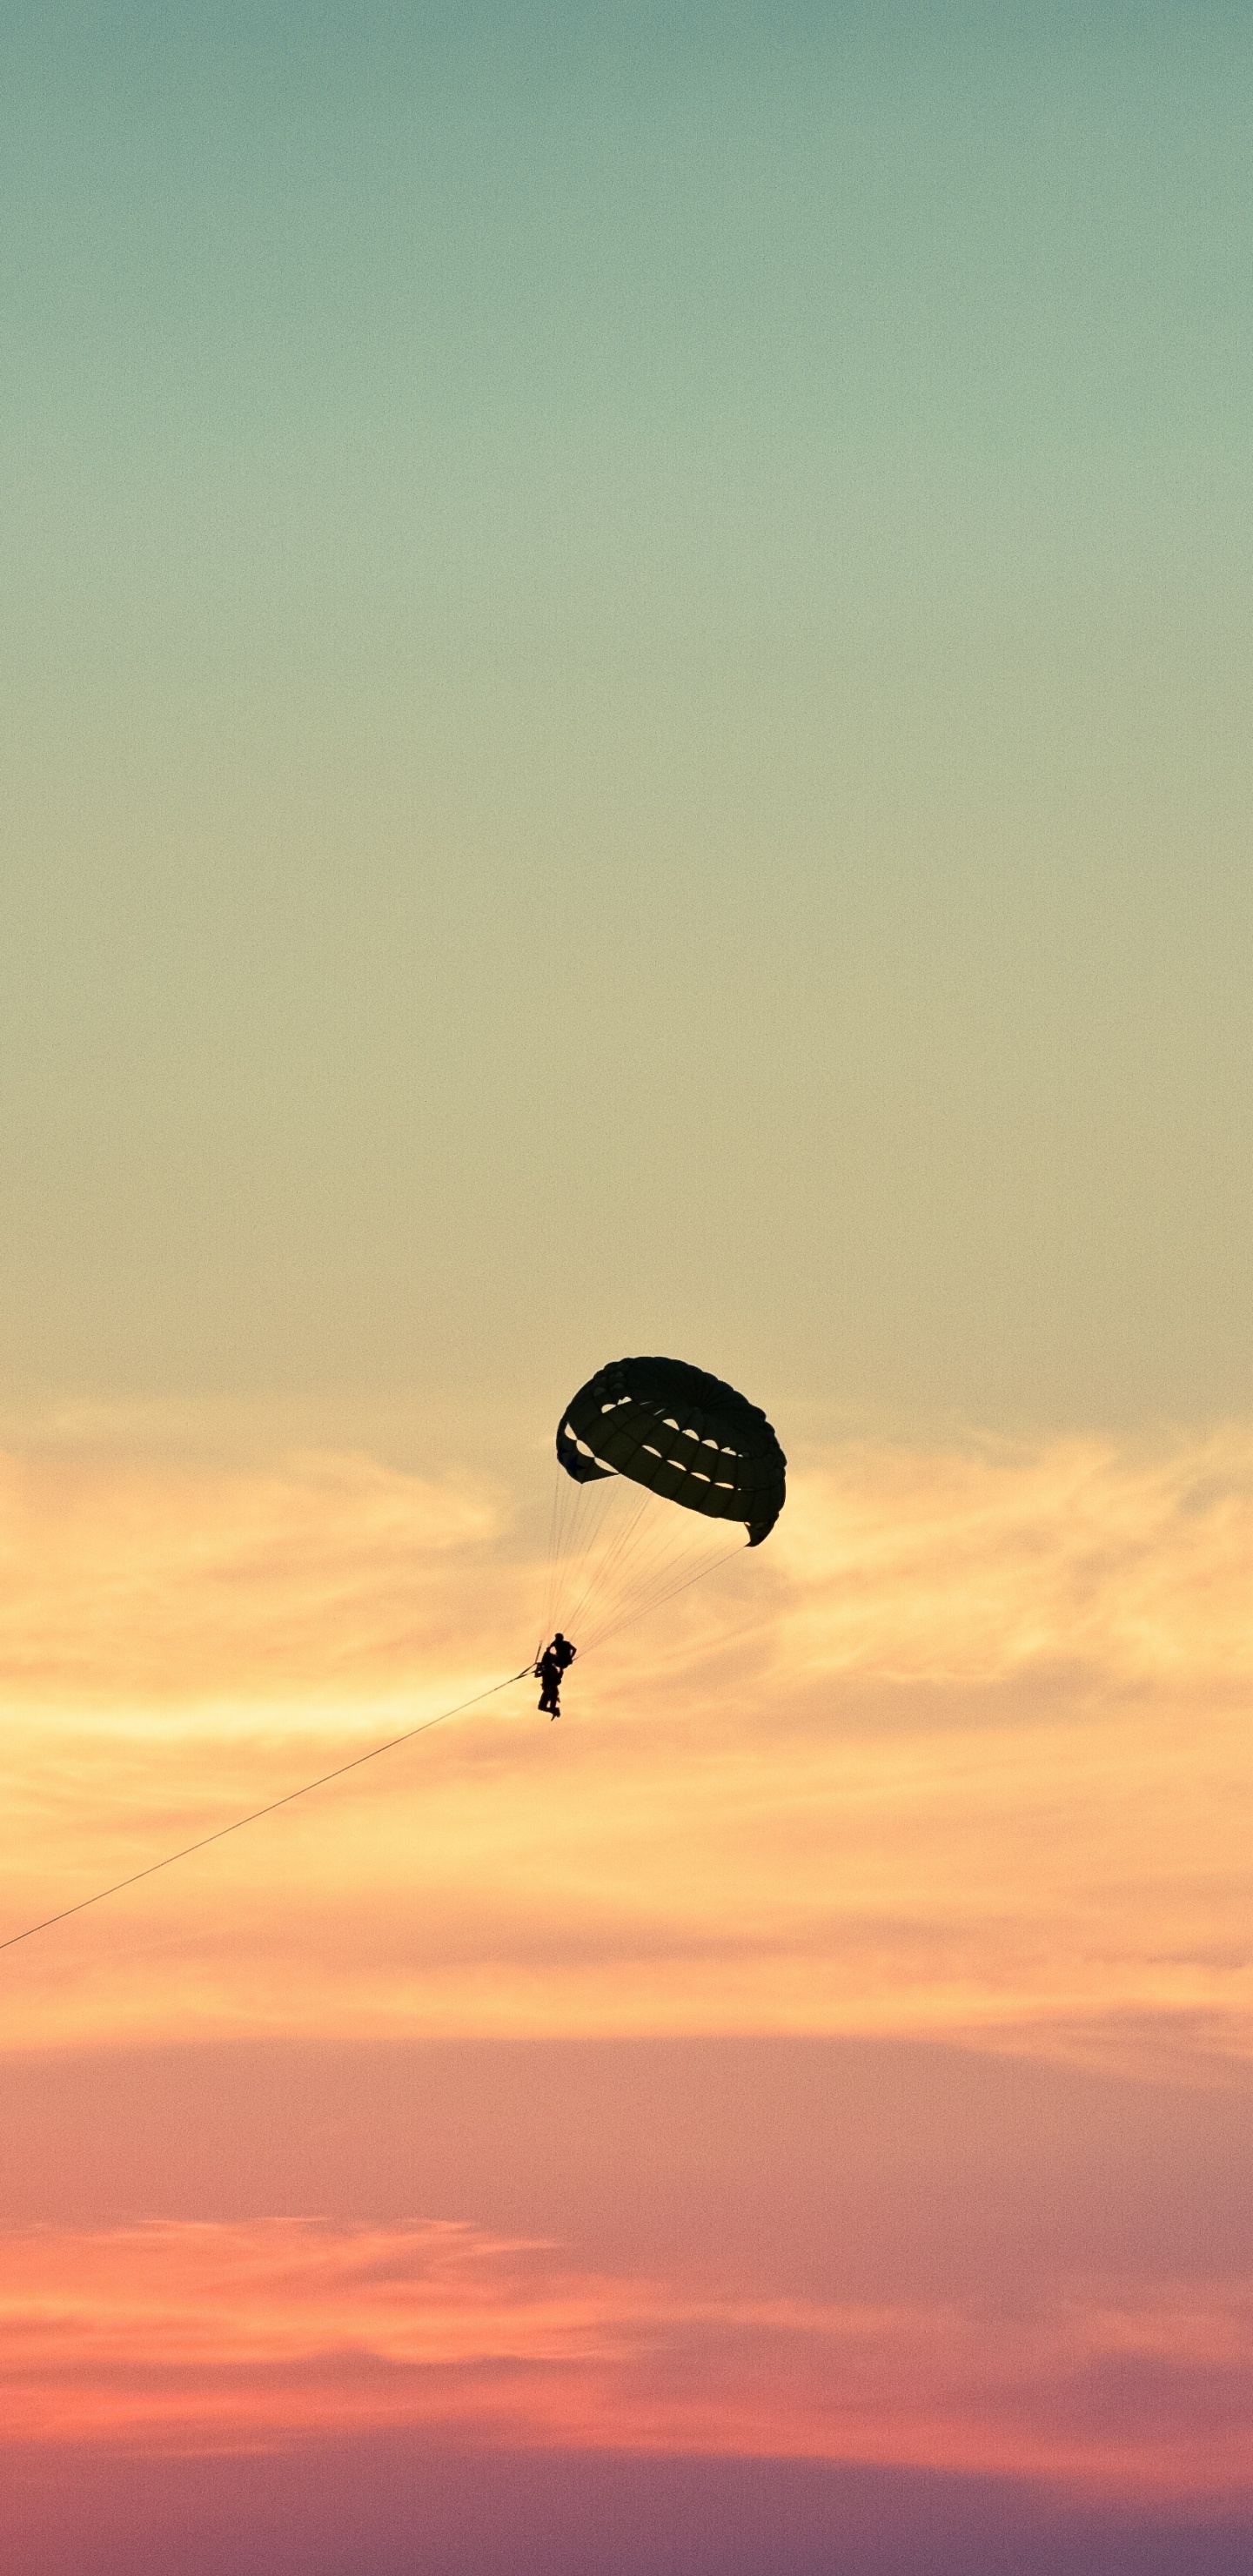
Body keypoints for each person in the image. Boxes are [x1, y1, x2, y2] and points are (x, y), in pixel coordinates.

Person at [536, 1632, 577, 1717]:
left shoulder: (566, 1644)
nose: (556, 1640)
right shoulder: (555, 1643)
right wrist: (540, 1667)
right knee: (541, 1707)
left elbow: (574, 1649)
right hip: (558, 1662)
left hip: (563, 1661)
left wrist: (570, 1657)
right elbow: (536, 1675)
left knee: (547, 1655)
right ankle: (554, 1711)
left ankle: (554, 1710)